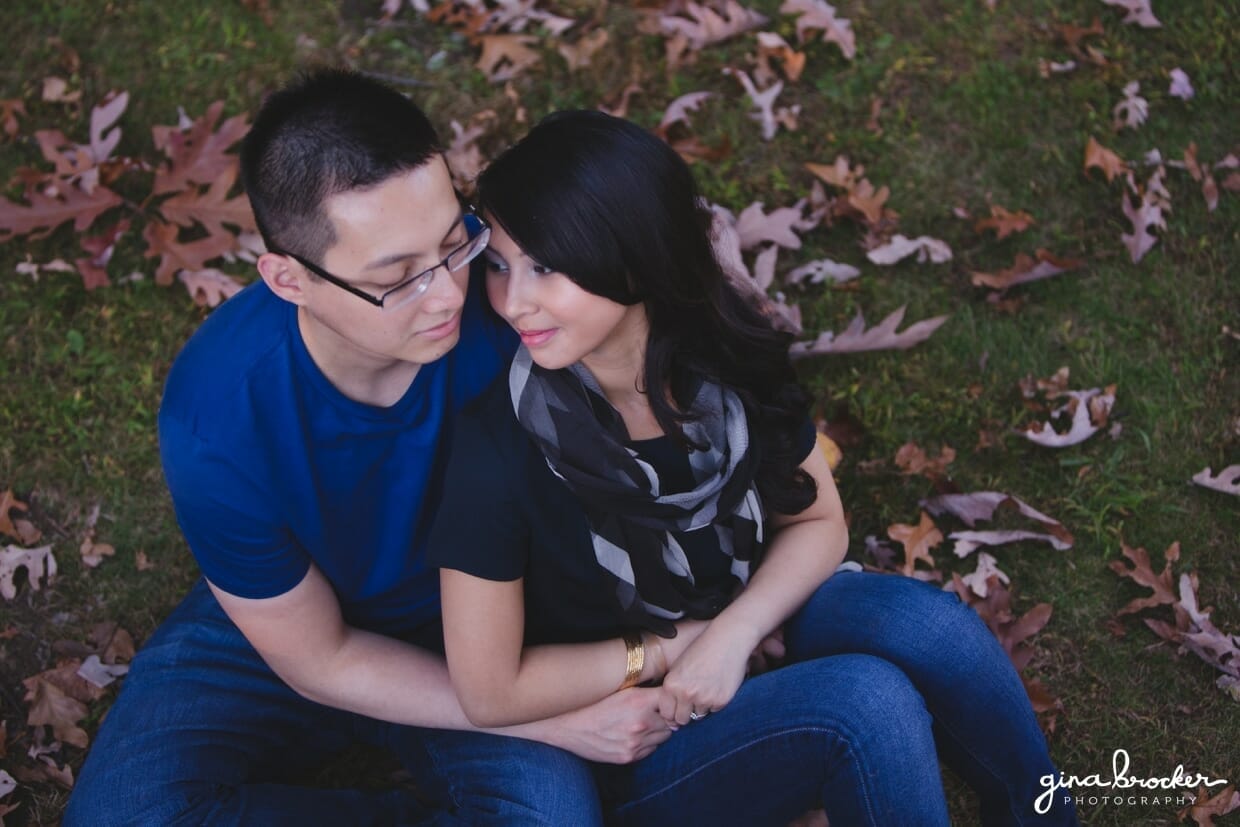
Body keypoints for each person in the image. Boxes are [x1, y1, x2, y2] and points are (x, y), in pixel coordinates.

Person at [427, 110, 1080, 826]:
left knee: (927, 627)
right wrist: (677, 649)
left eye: (546, 266)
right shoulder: (499, 445)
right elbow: (487, 689)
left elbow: (819, 520)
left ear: (634, 254)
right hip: (624, 735)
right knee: (867, 703)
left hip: (744, 632)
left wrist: (733, 633)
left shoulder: (721, 351)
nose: (512, 299)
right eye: (498, 263)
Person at [65, 71, 668, 826]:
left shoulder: (514, 307)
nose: (450, 293)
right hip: (290, 612)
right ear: (289, 279)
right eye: (399, 277)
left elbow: (668, 383)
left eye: (453, 243)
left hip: (489, 622)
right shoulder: (217, 413)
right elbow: (320, 658)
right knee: (120, 813)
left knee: (546, 817)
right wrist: (539, 720)